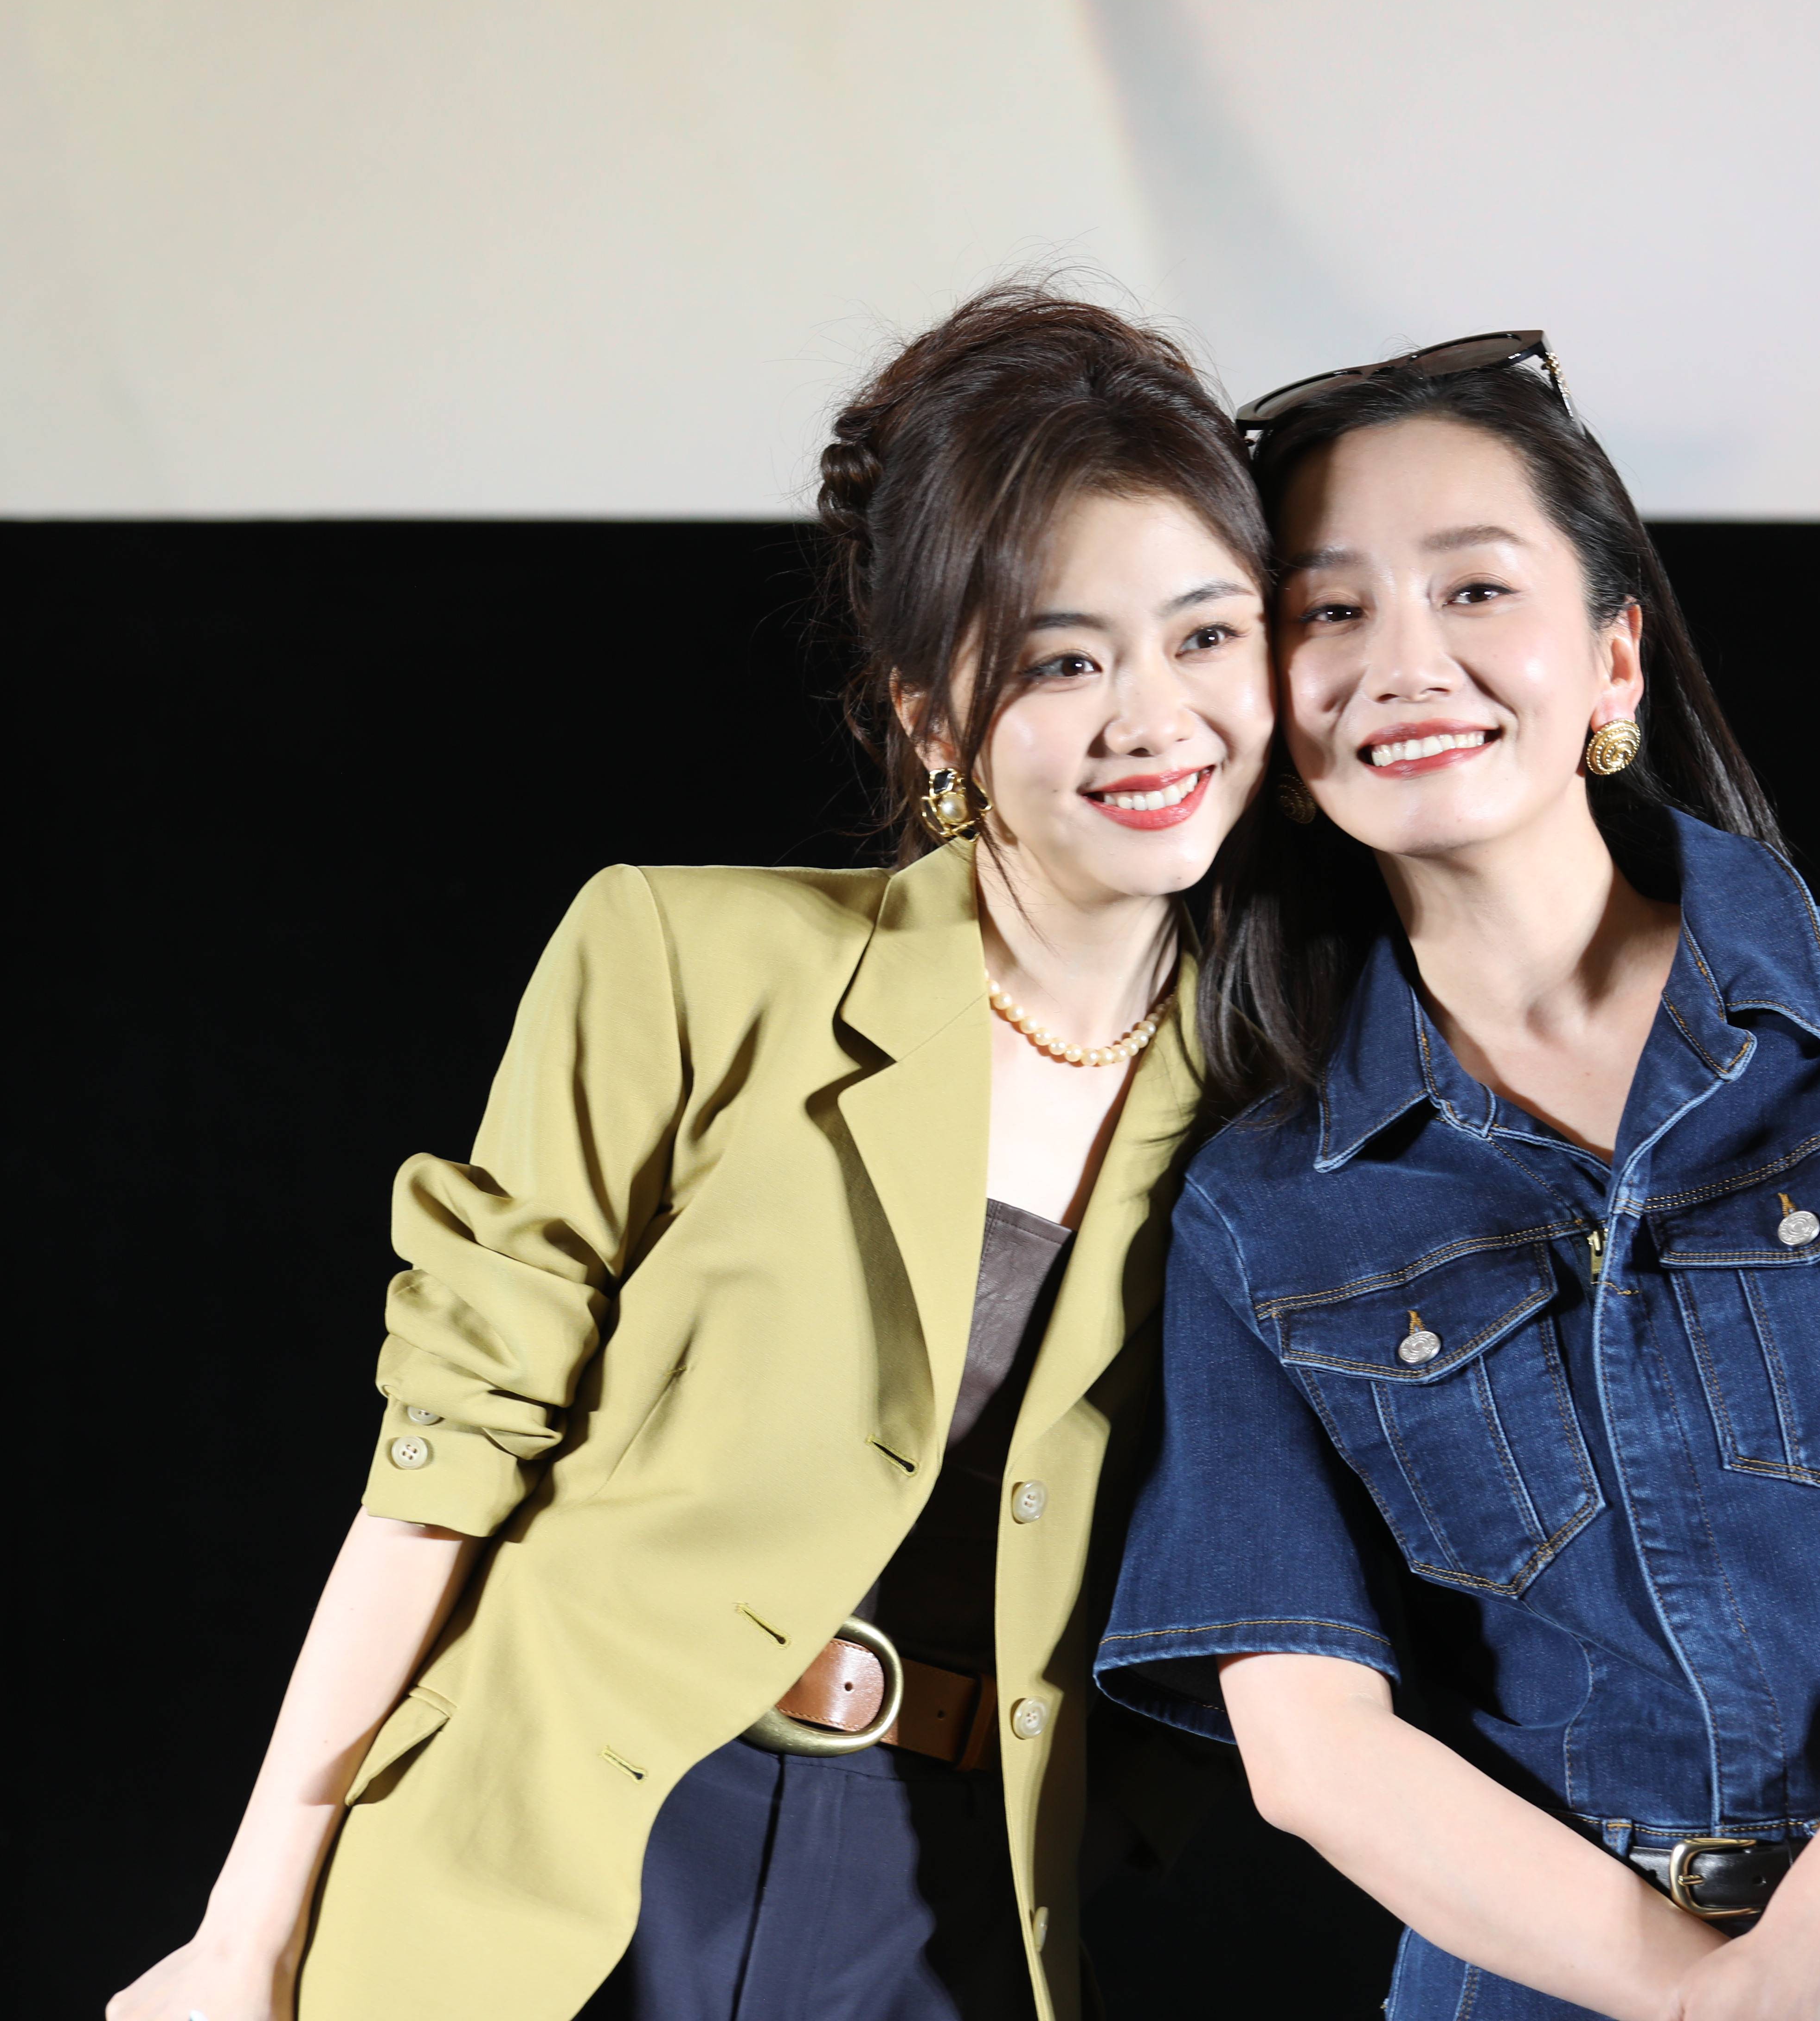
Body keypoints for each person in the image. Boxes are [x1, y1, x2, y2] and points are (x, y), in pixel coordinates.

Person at [109, 283, 1273, 2021]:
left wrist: (1131, 1813)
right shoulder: (686, 957)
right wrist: (245, 1931)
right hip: (564, 1860)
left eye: (1207, 635)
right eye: (1061, 659)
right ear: (931, 720)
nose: (1154, 716)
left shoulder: (1285, 1100)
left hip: (959, 1906)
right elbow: (442, 1467)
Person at [1098, 335, 1820, 2021]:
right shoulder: (1262, 1202)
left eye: (1475, 590)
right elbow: (1313, 1746)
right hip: (1537, 1976)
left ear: (1613, 660)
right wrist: (1704, 1999)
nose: (1405, 663)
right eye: (1329, 611)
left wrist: (1819, 1953)